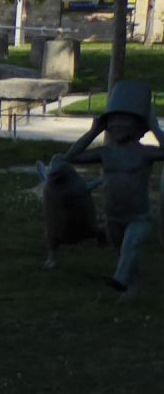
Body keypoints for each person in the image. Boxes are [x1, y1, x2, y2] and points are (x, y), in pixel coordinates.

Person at [65, 80, 164, 297]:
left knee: (129, 249)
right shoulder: (105, 153)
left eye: (124, 121)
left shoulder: (145, 153)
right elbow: (71, 157)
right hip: (113, 218)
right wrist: (94, 131)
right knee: (125, 254)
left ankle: (119, 280)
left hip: (138, 217)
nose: (118, 125)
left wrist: (155, 126)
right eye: (113, 121)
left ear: (139, 127)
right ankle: (132, 286)